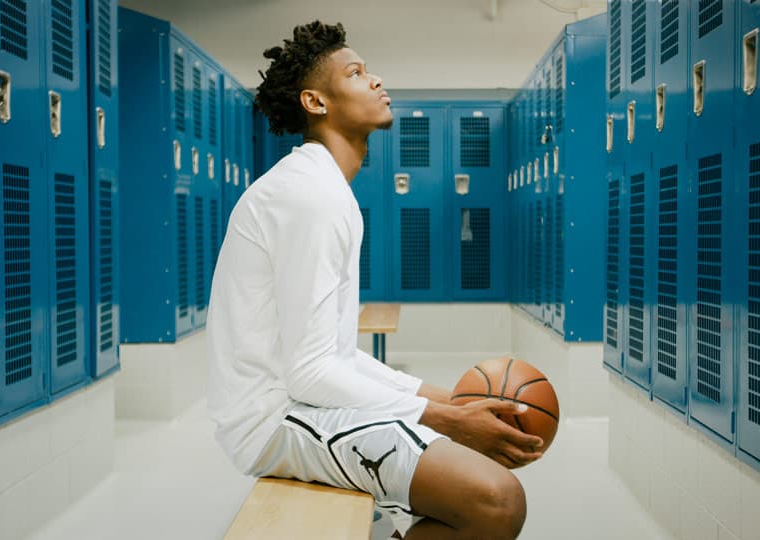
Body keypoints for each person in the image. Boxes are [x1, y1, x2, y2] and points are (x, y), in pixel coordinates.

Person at [206, 20, 543, 539]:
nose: (377, 79)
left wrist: (450, 400)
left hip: (295, 407)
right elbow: (311, 374)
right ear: (316, 102)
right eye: (357, 72)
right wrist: (445, 419)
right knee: (496, 501)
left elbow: (334, 356)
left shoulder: (321, 187)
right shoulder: (310, 195)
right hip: (275, 421)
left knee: (484, 496)